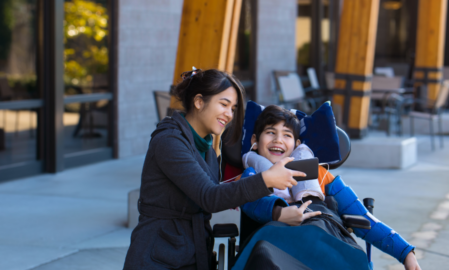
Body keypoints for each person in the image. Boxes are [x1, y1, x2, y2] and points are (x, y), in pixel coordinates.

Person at [122, 69, 306, 270]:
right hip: (158, 256)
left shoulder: (207, 149)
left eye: (233, 108)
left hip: (193, 253)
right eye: (224, 104)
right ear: (199, 102)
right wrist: (266, 180)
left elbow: (217, 194)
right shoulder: (169, 142)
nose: (229, 115)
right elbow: (209, 197)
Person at [240, 105, 421, 270]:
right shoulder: (250, 176)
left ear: (296, 145)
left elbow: (362, 216)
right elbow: (252, 203)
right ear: (255, 140)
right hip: (275, 248)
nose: (278, 140)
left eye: (287, 134)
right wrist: (278, 213)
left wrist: (405, 253)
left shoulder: (320, 175)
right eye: (270, 132)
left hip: (323, 242)